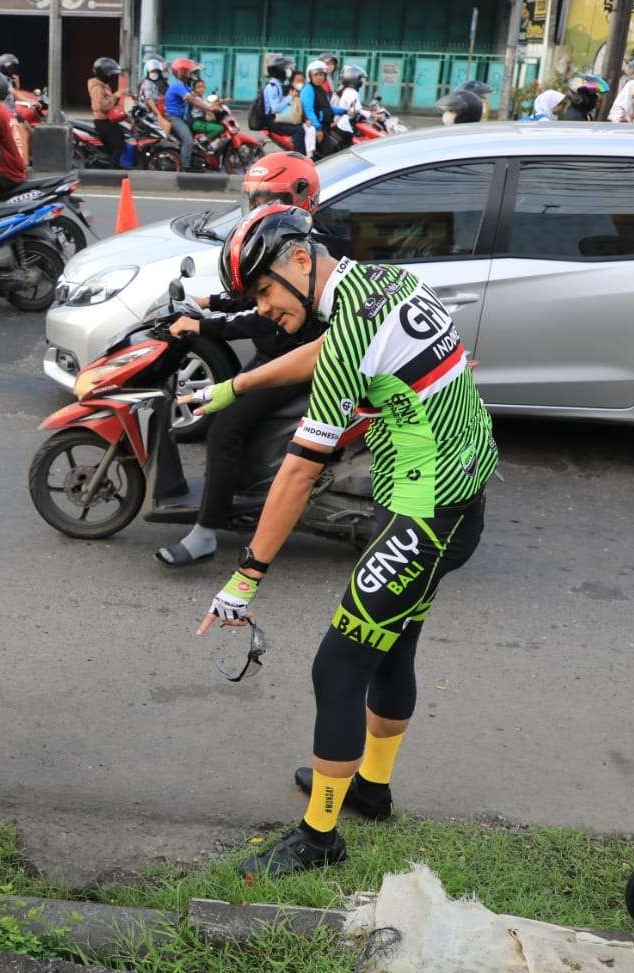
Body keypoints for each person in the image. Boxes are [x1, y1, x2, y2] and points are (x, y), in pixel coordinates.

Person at [186, 205, 496, 875]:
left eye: (265, 291)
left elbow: (298, 471)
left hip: (427, 512)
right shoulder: (377, 284)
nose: (264, 308)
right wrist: (234, 386)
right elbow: (327, 352)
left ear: (300, 259)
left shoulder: (351, 318)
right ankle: (371, 789)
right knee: (391, 648)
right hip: (452, 501)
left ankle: (320, 838)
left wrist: (245, 577)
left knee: (338, 665)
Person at [155, 152, 323, 568]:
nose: (262, 207)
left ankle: (206, 533)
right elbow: (256, 291)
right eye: (257, 198)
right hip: (277, 353)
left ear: (301, 197)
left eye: (271, 198)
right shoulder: (283, 241)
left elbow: (262, 318)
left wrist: (205, 325)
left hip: (295, 362)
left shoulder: (304, 252)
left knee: (225, 425)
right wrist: (208, 301)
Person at [164, 58, 216, 170]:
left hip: (182, 117)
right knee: (188, 140)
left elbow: (196, 97)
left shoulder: (185, 86)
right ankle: (185, 167)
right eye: (191, 72)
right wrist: (209, 108)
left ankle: (197, 160)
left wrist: (216, 103)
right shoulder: (177, 86)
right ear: (182, 73)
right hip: (174, 118)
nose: (194, 74)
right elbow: (192, 100)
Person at [88, 57, 129, 168]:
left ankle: (111, 163)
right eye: (110, 73)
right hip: (102, 121)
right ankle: (113, 169)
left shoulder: (103, 85)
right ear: (103, 73)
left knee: (121, 136)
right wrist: (116, 95)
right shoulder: (96, 87)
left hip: (109, 119)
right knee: (118, 143)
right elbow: (101, 106)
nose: (112, 76)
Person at [262, 55, 305, 149]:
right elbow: (276, 108)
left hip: (277, 118)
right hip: (272, 121)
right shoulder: (273, 87)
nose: (289, 70)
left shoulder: (278, 84)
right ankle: (300, 156)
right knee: (299, 130)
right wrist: (290, 97)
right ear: (279, 70)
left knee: (302, 124)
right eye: (286, 68)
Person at [301, 61, 336, 158]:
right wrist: (318, 128)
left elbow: (327, 107)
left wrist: (344, 111)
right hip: (317, 127)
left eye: (322, 75)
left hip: (325, 125)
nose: (320, 77)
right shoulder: (309, 89)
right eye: (316, 74)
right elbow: (309, 110)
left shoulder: (320, 89)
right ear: (310, 76)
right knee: (328, 153)